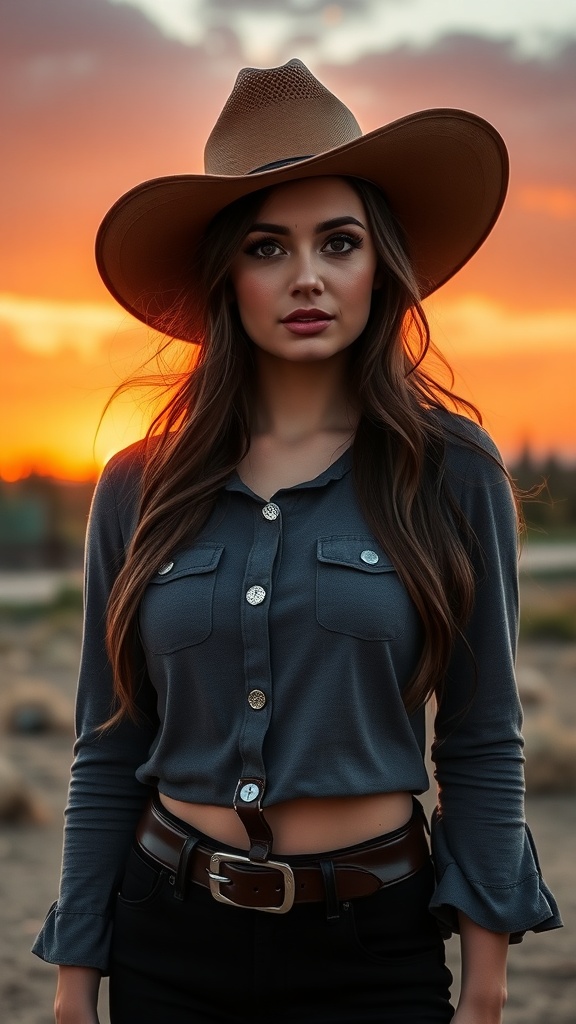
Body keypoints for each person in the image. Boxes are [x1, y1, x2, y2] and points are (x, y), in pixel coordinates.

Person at [33, 59, 561, 1023]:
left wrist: (485, 991)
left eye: (340, 242)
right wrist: (76, 984)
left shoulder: (452, 470)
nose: (308, 275)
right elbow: (108, 746)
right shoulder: (137, 488)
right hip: (169, 935)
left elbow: (483, 740)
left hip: (373, 947)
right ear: (226, 275)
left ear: (380, 263)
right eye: (269, 247)